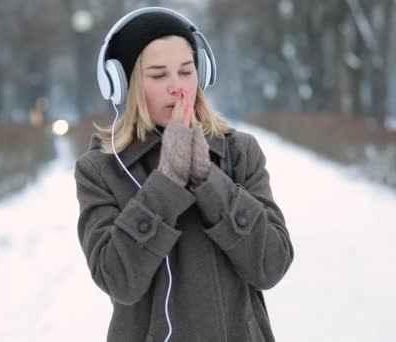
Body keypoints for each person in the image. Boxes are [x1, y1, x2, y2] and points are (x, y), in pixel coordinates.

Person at [74, 7, 293, 342]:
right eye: (159, 75)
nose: (178, 88)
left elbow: (271, 264)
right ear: (124, 85)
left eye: (186, 71)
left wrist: (208, 180)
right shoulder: (100, 170)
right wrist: (167, 183)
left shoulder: (240, 152)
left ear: (201, 74)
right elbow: (118, 280)